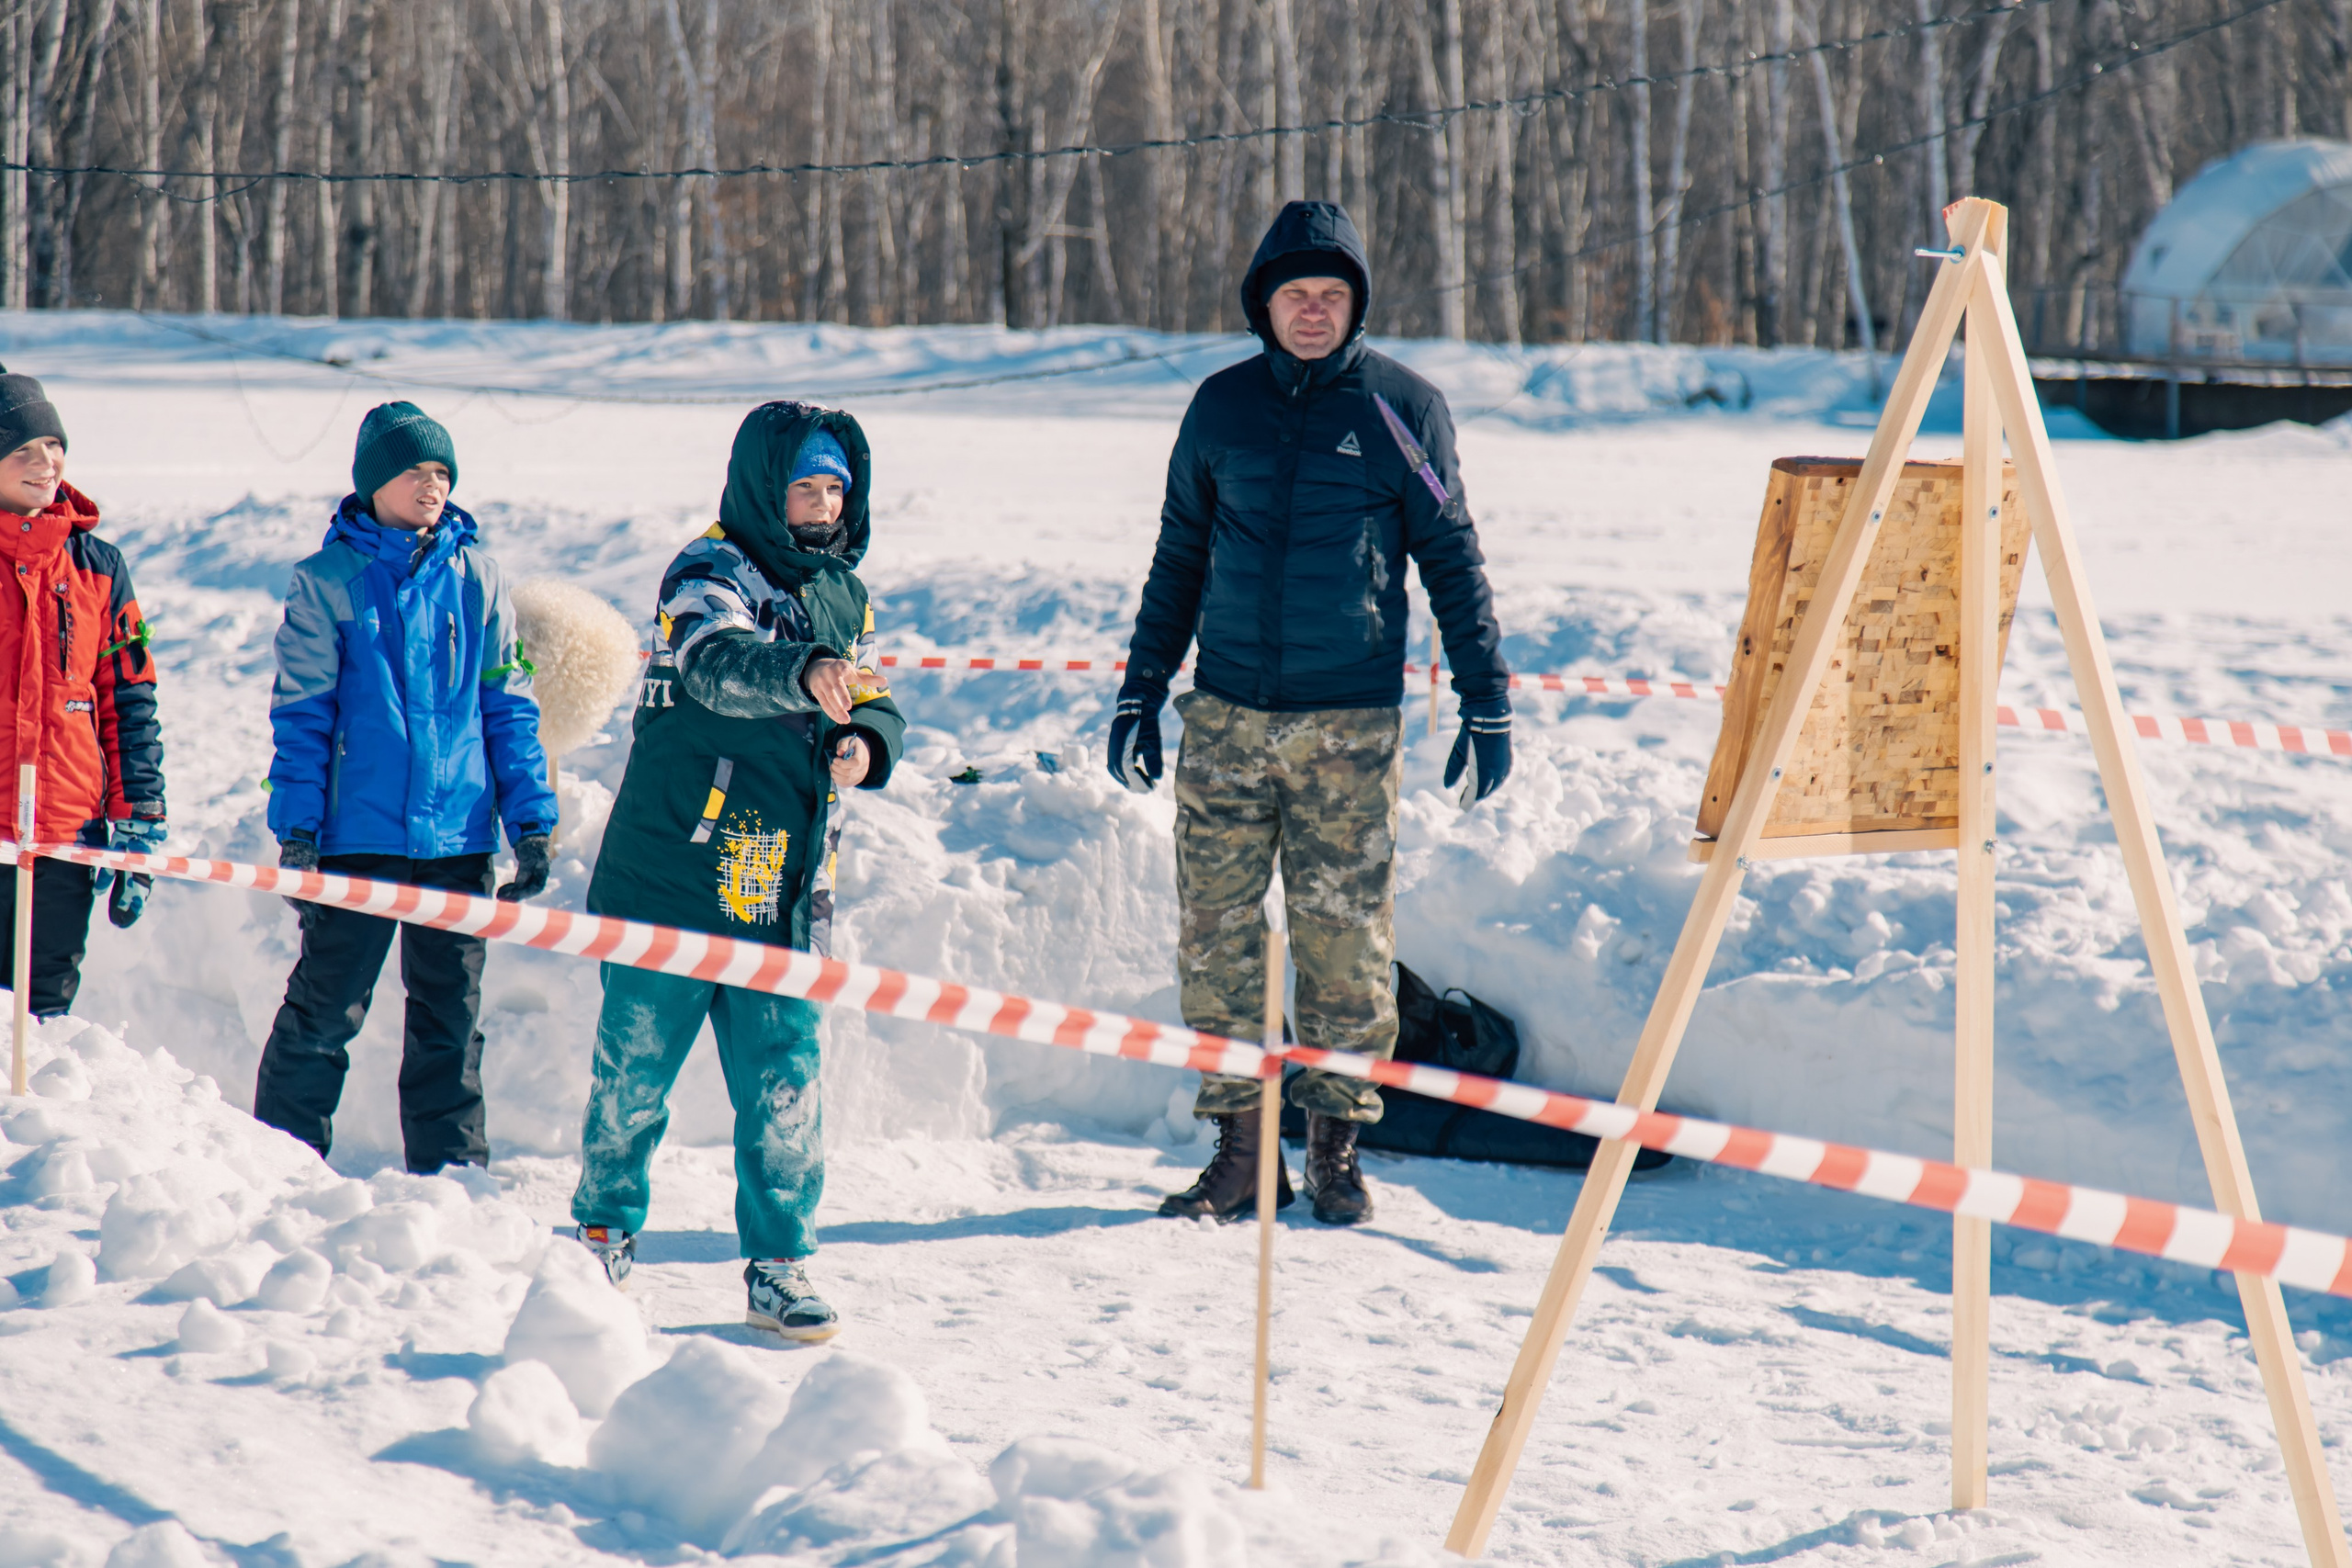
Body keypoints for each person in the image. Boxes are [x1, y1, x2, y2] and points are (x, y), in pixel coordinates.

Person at [1111, 201, 1512, 1227]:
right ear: (1264, 301)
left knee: (1345, 947)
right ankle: (1242, 1154)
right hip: (1229, 719)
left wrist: (1485, 701)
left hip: (1349, 725)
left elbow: (1453, 559)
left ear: (1357, 306)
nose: (1313, 312)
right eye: (1296, 294)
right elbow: (1178, 558)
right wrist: (1143, 685)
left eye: (1332, 296)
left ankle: (1336, 1151)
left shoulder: (1400, 409)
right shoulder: (1218, 409)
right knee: (1216, 944)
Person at [570, 401, 905, 1343]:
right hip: (676, 869)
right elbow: (714, 663)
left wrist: (870, 743)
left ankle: (779, 1261)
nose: (822, 503)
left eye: (836, 486)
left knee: (784, 1081)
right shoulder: (708, 569)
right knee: (633, 1075)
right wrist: (800, 675)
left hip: (780, 886)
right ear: (765, 486)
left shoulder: (844, 591)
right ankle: (601, 1236)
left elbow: (867, 688)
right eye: (805, 484)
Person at [257, 402, 557, 1175]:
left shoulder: (480, 578)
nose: (432, 484)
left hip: (457, 839)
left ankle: (453, 1179)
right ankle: (278, 1169)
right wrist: (298, 826)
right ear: (373, 482)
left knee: (450, 1023)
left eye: (442, 472)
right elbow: (301, 715)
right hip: (358, 837)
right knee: (325, 1011)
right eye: (415, 470)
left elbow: (510, 707)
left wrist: (530, 820)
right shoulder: (326, 582)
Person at [0, 367, 166, 1018]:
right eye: (22, 450)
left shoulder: (100, 566)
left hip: (65, 830)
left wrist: (141, 817)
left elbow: (131, 701)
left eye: (54, 446)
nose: (46, 464)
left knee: (42, 1019)